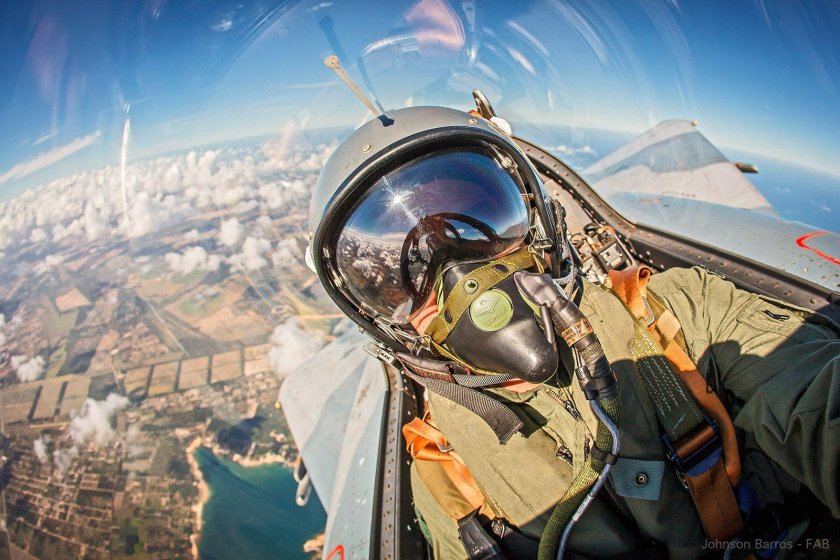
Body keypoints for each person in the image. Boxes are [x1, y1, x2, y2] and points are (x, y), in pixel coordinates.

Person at [305, 99, 840, 559]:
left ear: (542, 226)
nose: (463, 280)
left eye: (483, 220)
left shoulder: (681, 314)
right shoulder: (446, 469)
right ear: (383, 325)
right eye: (406, 278)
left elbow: (817, 401)